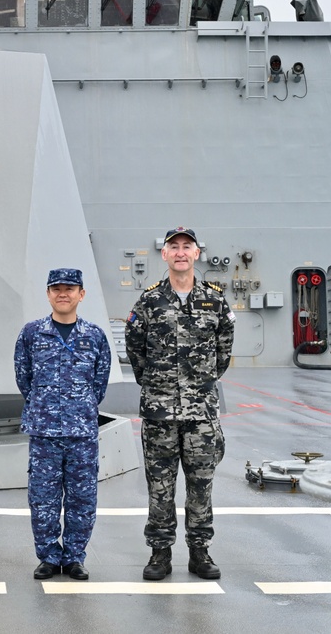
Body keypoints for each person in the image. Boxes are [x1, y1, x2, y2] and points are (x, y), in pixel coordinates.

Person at [125, 226, 235, 581]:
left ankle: (200, 552)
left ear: (197, 253)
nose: (181, 252)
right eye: (174, 247)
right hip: (159, 412)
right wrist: (159, 386)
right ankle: (160, 553)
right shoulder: (148, 300)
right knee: (160, 485)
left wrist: (198, 385)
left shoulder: (215, 300)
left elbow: (223, 353)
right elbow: (135, 352)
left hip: (201, 413)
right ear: (165, 255)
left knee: (202, 484)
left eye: (187, 247)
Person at [13, 268, 111, 581]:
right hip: (44, 432)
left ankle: (74, 558)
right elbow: (23, 377)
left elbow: (100, 383)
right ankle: (48, 557)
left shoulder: (94, 336)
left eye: (70, 288)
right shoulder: (32, 334)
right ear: (48, 294)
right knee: (43, 498)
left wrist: (77, 406)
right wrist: (46, 406)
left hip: (82, 432)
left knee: (82, 499)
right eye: (56, 288)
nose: (63, 294)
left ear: (81, 294)